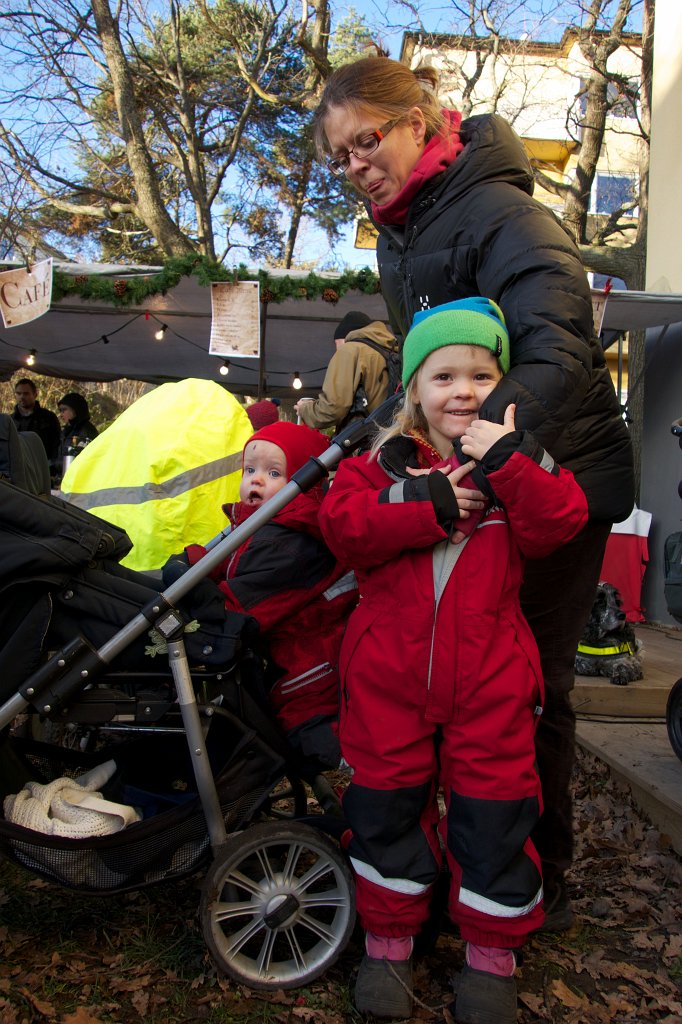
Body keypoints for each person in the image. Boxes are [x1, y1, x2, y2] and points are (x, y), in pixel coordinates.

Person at [313, 55, 635, 931]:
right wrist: (377, 436)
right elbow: (423, 363)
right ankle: (454, 864)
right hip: (472, 474)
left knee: (525, 685)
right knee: (448, 673)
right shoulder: (404, 229)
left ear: (420, 118)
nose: (356, 165)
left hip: (552, 475)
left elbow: (559, 350)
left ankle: (535, 879)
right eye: (340, 155)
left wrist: (477, 446)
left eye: (367, 140)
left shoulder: (503, 213)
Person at [318, 298, 589, 1022]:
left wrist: (504, 458)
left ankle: (490, 955)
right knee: (384, 808)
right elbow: (343, 529)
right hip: (388, 679)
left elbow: (561, 520)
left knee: (493, 815)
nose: (462, 391)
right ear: (414, 388)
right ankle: (389, 941)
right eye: (443, 375)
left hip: (491, 679)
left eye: (480, 374)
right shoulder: (378, 464)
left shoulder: (518, 458)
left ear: (499, 387)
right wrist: (430, 504)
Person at [180, 420, 357, 775]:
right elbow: (224, 561)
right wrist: (191, 561)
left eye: (274, 472)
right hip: (282, 656)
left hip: (309, 668)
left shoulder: (292, 543)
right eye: (249, 470)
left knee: (303, 734)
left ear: (306, 486)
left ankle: (347, 771)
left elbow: (239, 604)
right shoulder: (256, 524)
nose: (256, 480)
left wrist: (187, 586)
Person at [294, 310, 400, 432]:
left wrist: (305, 409)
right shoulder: (391, 350)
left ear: (343, 338)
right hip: (390, 437)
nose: (336, 349)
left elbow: (332, 409)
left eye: (336, 343)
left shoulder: (349, 350)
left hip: (364, 441)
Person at [11, 378, 61, 480]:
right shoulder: (11, 420)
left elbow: (57, 445)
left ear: (35, 394)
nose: (22, 397)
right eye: (18, 393)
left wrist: (52, 469)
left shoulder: (48, 418)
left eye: (26, 394)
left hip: (42, 470)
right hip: (17, 471)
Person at [57, 391, 99, 469]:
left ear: (75, 409)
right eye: (60, 411)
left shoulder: (87, 431)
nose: (61, 414)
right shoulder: (67, 431)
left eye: (64, 410)